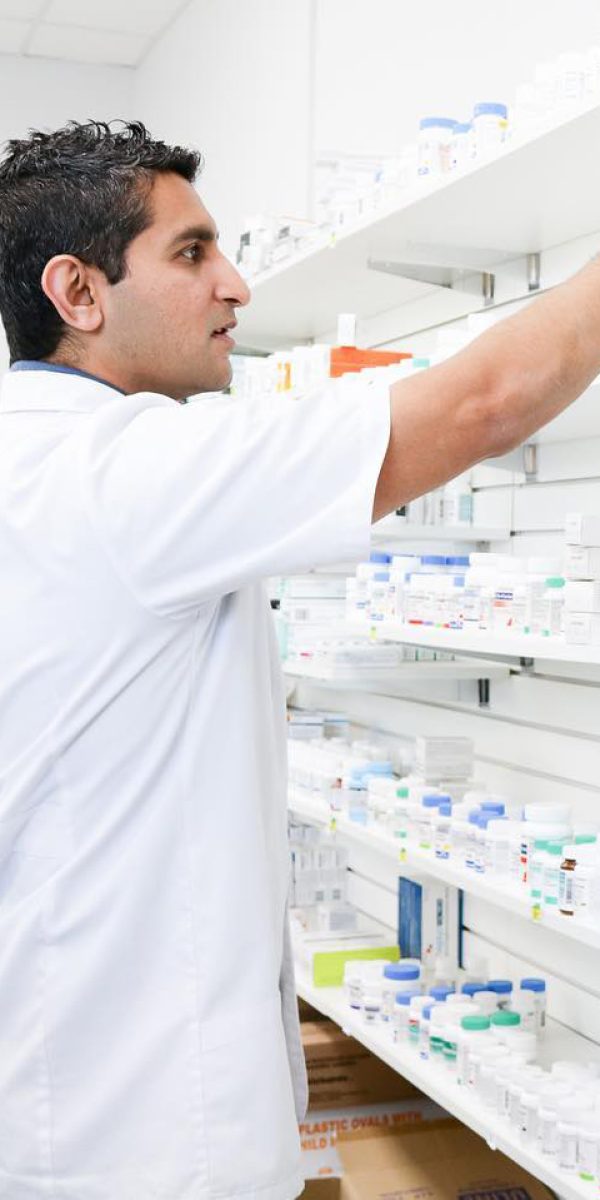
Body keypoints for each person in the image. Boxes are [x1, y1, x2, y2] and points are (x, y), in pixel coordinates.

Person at [0, 119, 598, 1200]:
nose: (236, 287)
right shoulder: (124, 471)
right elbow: (486, 401)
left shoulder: (31, 458)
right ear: (77, 294)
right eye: (192, 254)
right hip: (137, 1148)